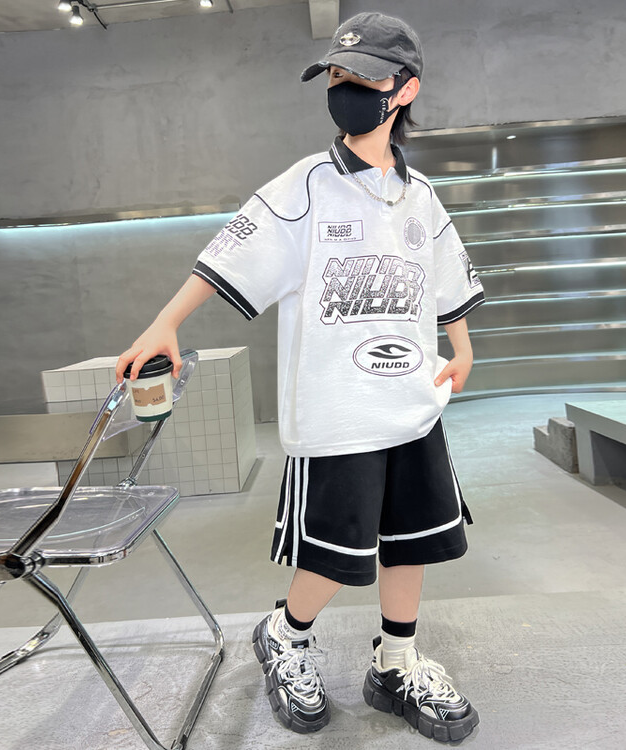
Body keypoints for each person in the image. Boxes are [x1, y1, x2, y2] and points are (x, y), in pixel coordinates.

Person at [115, 11, 485, 744]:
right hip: (335, 412)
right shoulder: (306, 185)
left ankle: (396, 661)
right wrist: (166, 322)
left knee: (412, 541)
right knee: (335, 556)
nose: (346, 90)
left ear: (405, 89)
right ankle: (286, 634)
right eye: (337, 76)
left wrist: (462, 346)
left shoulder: (420, 195)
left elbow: (446, 277)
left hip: (412, 403)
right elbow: (231, 254)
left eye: (364, 78)